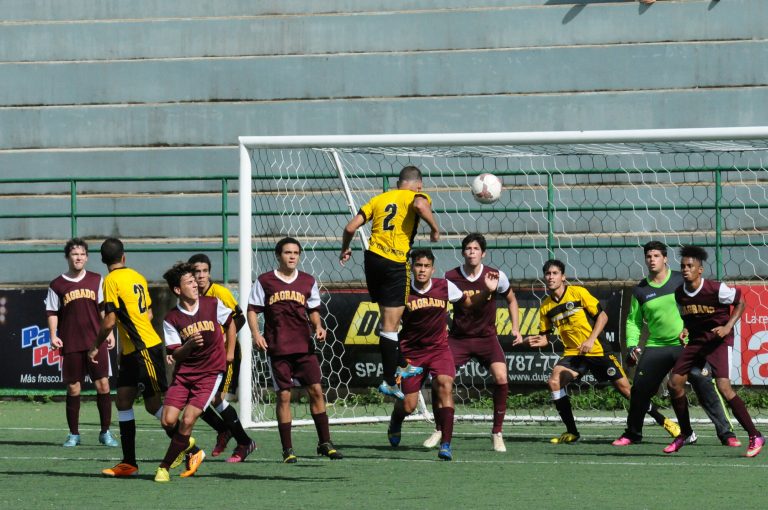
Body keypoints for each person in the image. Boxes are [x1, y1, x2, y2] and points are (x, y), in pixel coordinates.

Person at [515, 259, 678, 444]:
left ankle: (665, 422)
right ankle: (572, 432)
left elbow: (603, 316)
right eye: (548, 274)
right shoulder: (545, 306)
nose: (551, 277)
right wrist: (529, 341)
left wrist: (590, 339)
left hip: (598, 351)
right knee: (554, 381)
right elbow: (544, 338)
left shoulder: (578, 293)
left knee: (628, 391)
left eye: (555, 273)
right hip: (573, 354)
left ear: (563, 277)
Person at [613, 241, 739, 447]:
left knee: (703, 380)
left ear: (665, 259)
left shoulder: (682, 280)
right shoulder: (641, 290)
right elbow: (633, 321)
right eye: (648, 256)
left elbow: (704, 302)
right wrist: (633, 346)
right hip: (657, 345)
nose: (652, 260)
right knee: (640, 389)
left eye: (656, 256)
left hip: (687, 345)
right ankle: (633, 433)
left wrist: (698, 330)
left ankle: (726, 434)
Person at [339, 165, 440, 398]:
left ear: (397, 183)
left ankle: (403, 364)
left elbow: (350, 227)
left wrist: (345, 249)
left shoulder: (379, 199)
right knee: (390, 325)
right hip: (395, 263)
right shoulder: (416, 196)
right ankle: (388, 381)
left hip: (372, 260)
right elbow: (420, 206)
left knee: (388, 319)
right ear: (419, 185)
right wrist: (434, 229)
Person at [388, 249, 498, 461]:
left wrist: (486, 291)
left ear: (432, 269)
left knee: (445, 385)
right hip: (412, 354)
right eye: (418, 265)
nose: (421, 270)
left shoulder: (445, 286)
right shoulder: (401, 291)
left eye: (426, 266)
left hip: (439, 350)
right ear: (411, 268)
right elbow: (390, 324)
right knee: (409, 405)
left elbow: (469, 305)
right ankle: (396, 419)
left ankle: (446, 444)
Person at [423, 233, 522, 452]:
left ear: (483, 253)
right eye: (468, 249)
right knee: (441, 381)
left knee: (501, 376)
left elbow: (512, 299)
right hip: (458, 339)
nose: (472, 252)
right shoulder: (450, 277)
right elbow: (437, 303)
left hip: (487, 338)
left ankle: (497, 433)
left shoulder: (497, 276)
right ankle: (440, 429)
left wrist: (516, 328)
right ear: (463, 252)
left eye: (476, 249)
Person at [248, 237, 343, 463]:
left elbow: (313, 310)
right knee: (283, 396)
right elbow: (252, 310)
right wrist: (255, 334)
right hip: (278, 347)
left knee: (317, 391)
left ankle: (325, 442)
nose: (292, 256)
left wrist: (318, 327)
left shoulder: (308, 281)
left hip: (304, 346)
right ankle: (288, 449)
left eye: (296, 253)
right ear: (278, 255)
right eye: (287, 252)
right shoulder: (265, 281)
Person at [154, 262, 252, 482]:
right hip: (183, 375)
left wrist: (229, 353)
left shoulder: (213, 304)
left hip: (210, 374)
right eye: (189, 282)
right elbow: (174, 354)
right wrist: (188, 346)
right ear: (178, 290)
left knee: (188, 420)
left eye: (195, 280)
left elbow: (232, 322)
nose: (195, 284)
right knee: (168, 421)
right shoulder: (171, 319)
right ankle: (192, 450)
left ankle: (164, 467)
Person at [663, 245, 765, 457]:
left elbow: (741, 302)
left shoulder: (716, 289)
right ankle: (685, 433)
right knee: (674, 384)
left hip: (718, 341)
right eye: (682, 266)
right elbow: (689, 316)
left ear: (700, 269)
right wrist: (686, 329)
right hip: (697, 341)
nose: (685, 269)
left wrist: (728, 326)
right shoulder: (679, 293)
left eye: (690, 266)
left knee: (724, 387)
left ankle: (755, 435)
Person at [88, 237, 175, 477]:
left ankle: (188, 447)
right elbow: (147, 313)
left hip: (144, 349)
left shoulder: (111, 281)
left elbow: (110, 320)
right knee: (123, 401)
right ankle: (129, 463)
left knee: (153, 405)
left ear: (103, 260)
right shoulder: (137, 276)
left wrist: (95, 346)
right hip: (132, 351)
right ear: (124, 256)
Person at [45, 238, 118, 448]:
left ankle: (105, 432)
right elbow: (51, 311)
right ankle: (73, 434)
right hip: (71, 342)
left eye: (82, 254)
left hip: (96, 341)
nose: (78, 258)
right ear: (68, 257)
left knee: (103, 385)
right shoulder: (57, 284)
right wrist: (53, 335)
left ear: (87, 257)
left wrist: (109, 332)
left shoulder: (97, 279)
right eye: (75, 254)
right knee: (73, 388)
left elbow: (105, 308)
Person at [187, 253, 254, 460]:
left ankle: (244, 443)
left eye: (204, 271)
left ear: (209, 272)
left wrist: (227, 345)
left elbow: (239, 318)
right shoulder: (189, 295)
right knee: (195, 398)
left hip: (226, 353)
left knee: (216, 399)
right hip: (204, 356)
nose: (201, 276)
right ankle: (224, 430)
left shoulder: (220, 293)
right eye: (196, 271)